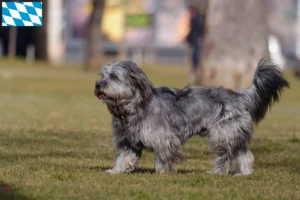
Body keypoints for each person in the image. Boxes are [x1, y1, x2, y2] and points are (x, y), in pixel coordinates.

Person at [186, 5, 205, 82]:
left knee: (196, 56)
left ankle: (195, 72)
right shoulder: (193, 19)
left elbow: (198, 30)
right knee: (194, 56)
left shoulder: (198, 19)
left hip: (197, 40)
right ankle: (194, 72)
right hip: (194, 40)